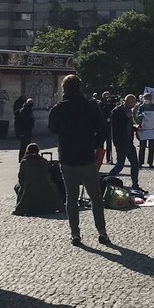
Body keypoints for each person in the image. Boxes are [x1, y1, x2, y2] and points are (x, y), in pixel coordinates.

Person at [47, 75, 111, 247]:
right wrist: (94, 143)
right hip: (86, 156)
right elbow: (104, 130)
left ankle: (75, 233)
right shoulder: (90, 107)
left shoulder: (58, 109)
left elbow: (52, 128)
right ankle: (101, 232)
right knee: (96, 197)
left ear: (64, 89)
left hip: (67, 157)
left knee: (71, 196)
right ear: (80, 88)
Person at [13, 144, 63, 215]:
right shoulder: (44, 161)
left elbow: (21, 179)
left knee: (17, 186)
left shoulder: (24, 162)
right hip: (45, 186)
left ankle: (24, 205)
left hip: (29, 187)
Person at [107, 94, 140, 187]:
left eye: (134, 102)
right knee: (120, 165)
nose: (133, 105)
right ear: (126, 101)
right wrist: (126, 117)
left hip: (129, 141)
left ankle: (135, 185)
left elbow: (127, 127)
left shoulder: (128, 111)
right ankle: (107, 181)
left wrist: (135, 128)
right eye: (132, 103)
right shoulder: (117, 111)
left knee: (135, 164)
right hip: (121, 142)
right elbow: (117, 127)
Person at [134, 92, 154, 168]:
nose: (147, 100)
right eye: (145, 98)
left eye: (148, 98)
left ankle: (150, 162)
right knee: (142, 146)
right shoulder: (141, 107)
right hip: (143, 129)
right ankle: (140, 162)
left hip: (152, 129)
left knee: (151, 147)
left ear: (151, 99)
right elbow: (137, 117)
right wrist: (141, 115)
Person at [14, 98, 35, 162]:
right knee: (24, 145)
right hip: (25, 130)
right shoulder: (25, 110)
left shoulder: (27, 109)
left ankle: (25, 157)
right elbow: (24, 121)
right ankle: (22, 158)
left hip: (27, 130)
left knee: (26, 144)